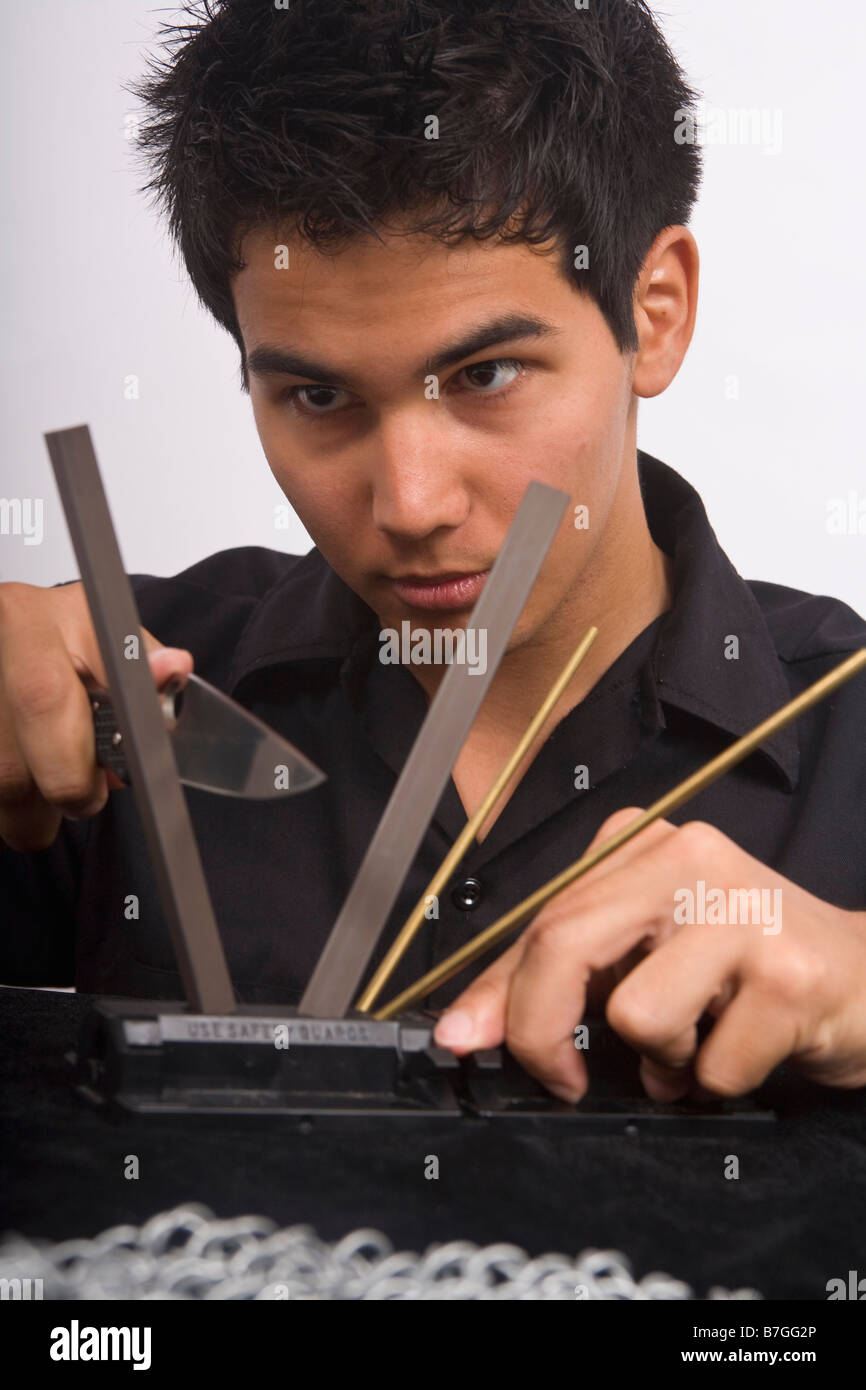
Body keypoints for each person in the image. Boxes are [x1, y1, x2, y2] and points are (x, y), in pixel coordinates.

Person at [1, 0, 864, 1107]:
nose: (409, 503)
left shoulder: (844, 732)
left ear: (653, 314)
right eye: (315, 395)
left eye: (485, 376)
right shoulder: (100, 704)